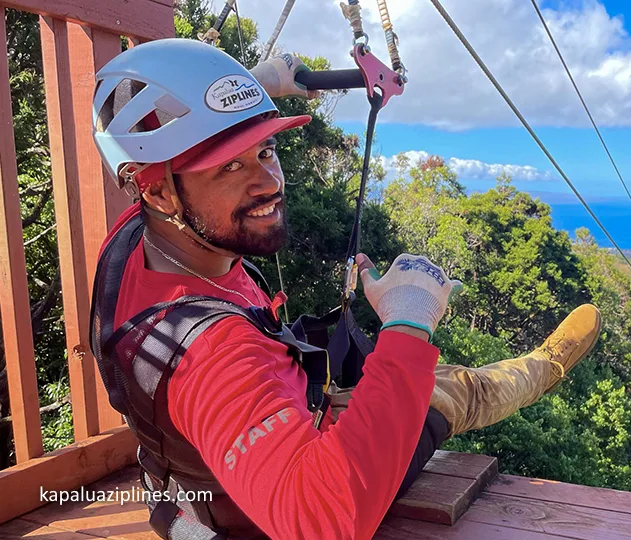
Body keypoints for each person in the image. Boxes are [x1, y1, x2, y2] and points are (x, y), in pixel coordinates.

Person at [89, 38, 601, 540]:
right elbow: (323, 523)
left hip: (192, 490)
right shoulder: (211, 354)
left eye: (266, 150)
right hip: (282, 493)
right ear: (158, 191)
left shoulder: (138, 241)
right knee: (452, 389)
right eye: (230, 167)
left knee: (412, 375)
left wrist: (258, 83)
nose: (269, 182)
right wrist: (408, 321)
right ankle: (544, 368)